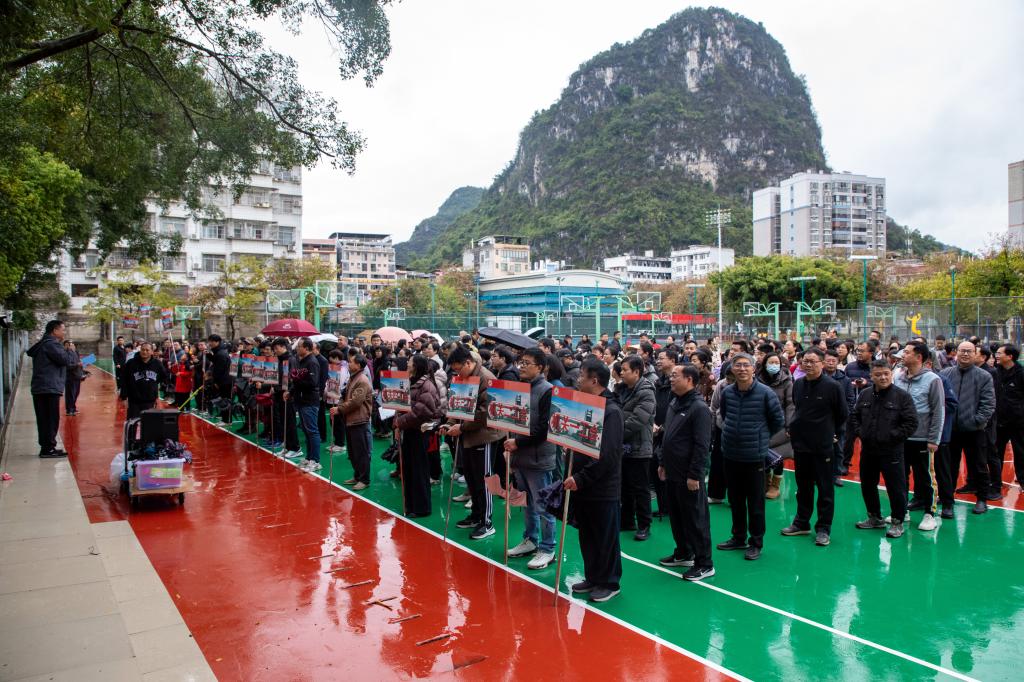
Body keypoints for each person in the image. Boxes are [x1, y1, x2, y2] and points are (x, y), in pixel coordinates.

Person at [565, 359, 625, 602]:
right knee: (587, 534)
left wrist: (581, 477)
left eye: (582, 376)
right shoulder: (584, 406)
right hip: (582, 485)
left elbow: (608, 455)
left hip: (602, 487)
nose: (578, 380)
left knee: (605, 537)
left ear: (594, 380)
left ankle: (609, 582)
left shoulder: (611, 412)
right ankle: (593, 576)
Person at [716, 353, 784, 560]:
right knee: (735, 500)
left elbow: (778, 420)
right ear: (732, 369)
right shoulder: (728, 392)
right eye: (738, 365)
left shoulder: (765, 393)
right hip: (731, 454)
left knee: (755, 503)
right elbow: (724, 415)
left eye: (746, 365)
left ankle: (756, 542)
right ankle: (738, 537)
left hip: (754, 456)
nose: (742, 369)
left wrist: (760, 436)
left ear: (754, 369)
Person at [780, 348, 848, 546]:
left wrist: (833, 433)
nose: (808, 364)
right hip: (801, 445)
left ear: (822, 363)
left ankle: (823, 528)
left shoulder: (833, 386)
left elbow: (842, 414)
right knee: (803, 488)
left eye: (813, 361)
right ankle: (801, 523)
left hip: (823, 446)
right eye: (805, 361)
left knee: (825, 489)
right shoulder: (799, 384)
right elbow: (799, 409)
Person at [846, 360, 919, 538]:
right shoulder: (865, 395)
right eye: (878, 374)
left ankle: (897, 521)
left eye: (886, 373)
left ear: (891, 374)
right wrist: (861, 433)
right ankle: (874, 517)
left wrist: (892, 436)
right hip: (869, 450)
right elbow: (855, 416)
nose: (883, 377)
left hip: (892, 451)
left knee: (896, 487)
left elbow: (911, 422)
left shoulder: (902, 396)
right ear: (871, 376)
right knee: (867, 484)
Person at [658, 364, 714, 581]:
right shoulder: (675, 402)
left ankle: (704, 563)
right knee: (677, 516)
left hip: (688, 475)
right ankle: (684, 552)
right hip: (672, 471)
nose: (671, 379)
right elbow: (668, 436)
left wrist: (694, 474)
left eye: (675, 376)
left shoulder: (699, 408)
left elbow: (702, 445)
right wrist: (662, 462)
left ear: (689, 380)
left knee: (695, 519)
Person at [442, 345, 505, 541]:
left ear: (468, 363)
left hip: (484, 436)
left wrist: (461, 427)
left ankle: (487, 523)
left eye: (458, 369)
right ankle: (476, 515)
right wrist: (449, 423)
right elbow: (457, 404)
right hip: (467, 435)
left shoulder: (486, 378)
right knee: (471, 477)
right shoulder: (463, 378)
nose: (457, 374)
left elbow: (486, 413)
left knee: (484, 480)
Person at [504, 347, 557, 568]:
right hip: (521, 457)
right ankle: (530, 540)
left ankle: (548, 548)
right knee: (527, 503)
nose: (522, 367)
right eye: (521, 362)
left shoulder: (548, 391)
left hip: (538, 458)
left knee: (543, 505)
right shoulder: (520, 388)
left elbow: (545, 429)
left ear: (541, 367)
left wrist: (518, 442)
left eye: (527, 363)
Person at [893, 341, 945, 531]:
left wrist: (934, 439)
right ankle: (902, 511)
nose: (902, 355)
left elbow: (939, 411)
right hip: (901, 438)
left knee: (925, 478)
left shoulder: (933, 379)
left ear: (919, 357)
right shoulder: (898, 377)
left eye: (906, 352)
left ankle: (930, 514)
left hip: (923, 439)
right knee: (900, 476)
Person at [939, 342, 996, 514]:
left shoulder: (984, 376)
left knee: (979, 466)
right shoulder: (945, 374)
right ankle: (947, 499)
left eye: (969, 351)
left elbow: (988, 403)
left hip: (974, 430)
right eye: (962, 351)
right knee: (949, 466)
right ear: (956, 353)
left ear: (975, 354)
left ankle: (982, 499)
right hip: (950, 430)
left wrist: (977, 421)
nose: (965, 354)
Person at [394, 354, 442, 517]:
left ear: (416, 366)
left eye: (410, 362)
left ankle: (421, 508)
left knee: (419, 469)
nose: (407, 364)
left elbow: (422, 411)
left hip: (419, 432)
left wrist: (400, 422)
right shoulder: (411, 381)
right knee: (409, 468)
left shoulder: (426, 385)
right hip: (409, 430)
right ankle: (411, 505)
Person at [617, 355, 656, 541]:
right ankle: (627, 520)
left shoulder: (646, 392)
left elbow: (637, 420)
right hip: (624, 447)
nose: (621, 373)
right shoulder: (623, 389)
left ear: (636, 372)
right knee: (625, 486)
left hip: (639, 447)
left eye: (625, 370)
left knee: (640, 488)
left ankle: (644, 524)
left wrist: (616, 433)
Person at [26, 320, 77, 458]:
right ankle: (48, 449)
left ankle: (48, 446)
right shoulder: (51, 344)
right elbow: (66, 360)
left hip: (43, 386)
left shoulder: (44, 344)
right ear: (55, 331)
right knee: (50, 419)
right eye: (63, 329)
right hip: (48, 387)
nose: (64, 332)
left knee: (45, 418)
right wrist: (70, 351)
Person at [332, 353, 372, 488]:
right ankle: (357, 475)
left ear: (358, 365)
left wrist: (339, 409)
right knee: (353, 451)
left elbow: (356, 402)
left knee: (361, 452)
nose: (348, 364)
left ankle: (364, 480)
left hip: (359, 420)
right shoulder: (353, 377)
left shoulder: (362, 380)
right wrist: (340, 403)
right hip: (350, 419)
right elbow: (345, 395)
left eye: (351, 362)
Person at [756, 353, 793, 500]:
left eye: (776, 362)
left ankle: (775, 486)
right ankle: (766, 482)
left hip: (779, 423)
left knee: (778, 455)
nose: (774, 365)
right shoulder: (757, 380)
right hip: (761, 423)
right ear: (765, 364)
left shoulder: (787, 381)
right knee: (763, 453)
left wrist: (789, 425)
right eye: (771, 362)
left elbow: (790, 404)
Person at [994, 344, 1024, 489]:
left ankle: (1022, 480)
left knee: (1020, 451)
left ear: (1010, 356)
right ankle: (995, 481)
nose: (996, 355)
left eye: (1000, 353)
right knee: (996, 451)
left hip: (1018, 422)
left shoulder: (1021, 374)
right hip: (999, 421)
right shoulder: (995, 373)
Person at [121, 342, 168, 420]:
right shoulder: (131, 363)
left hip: (150, 400)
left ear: (152, 352)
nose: (144, 352)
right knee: (133, 422)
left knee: (148, 423)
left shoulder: (157, 363)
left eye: (147, 350)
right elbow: (124, 379)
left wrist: (154, 384)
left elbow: (164, 376)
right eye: (142, 350)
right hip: (134, 400)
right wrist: (124, 396)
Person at [62, 340, 85, 416]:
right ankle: (69, 410)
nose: (73, 346)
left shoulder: (75, 352)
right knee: (70, 394)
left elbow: (79, 364)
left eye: (73, 344)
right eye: (71, 344)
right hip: (70, 377)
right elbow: (68, 366)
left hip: (77, 376)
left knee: (76, 393)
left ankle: (73, 408)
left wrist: (83, 373)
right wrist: (78, 364)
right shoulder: (66, 354)